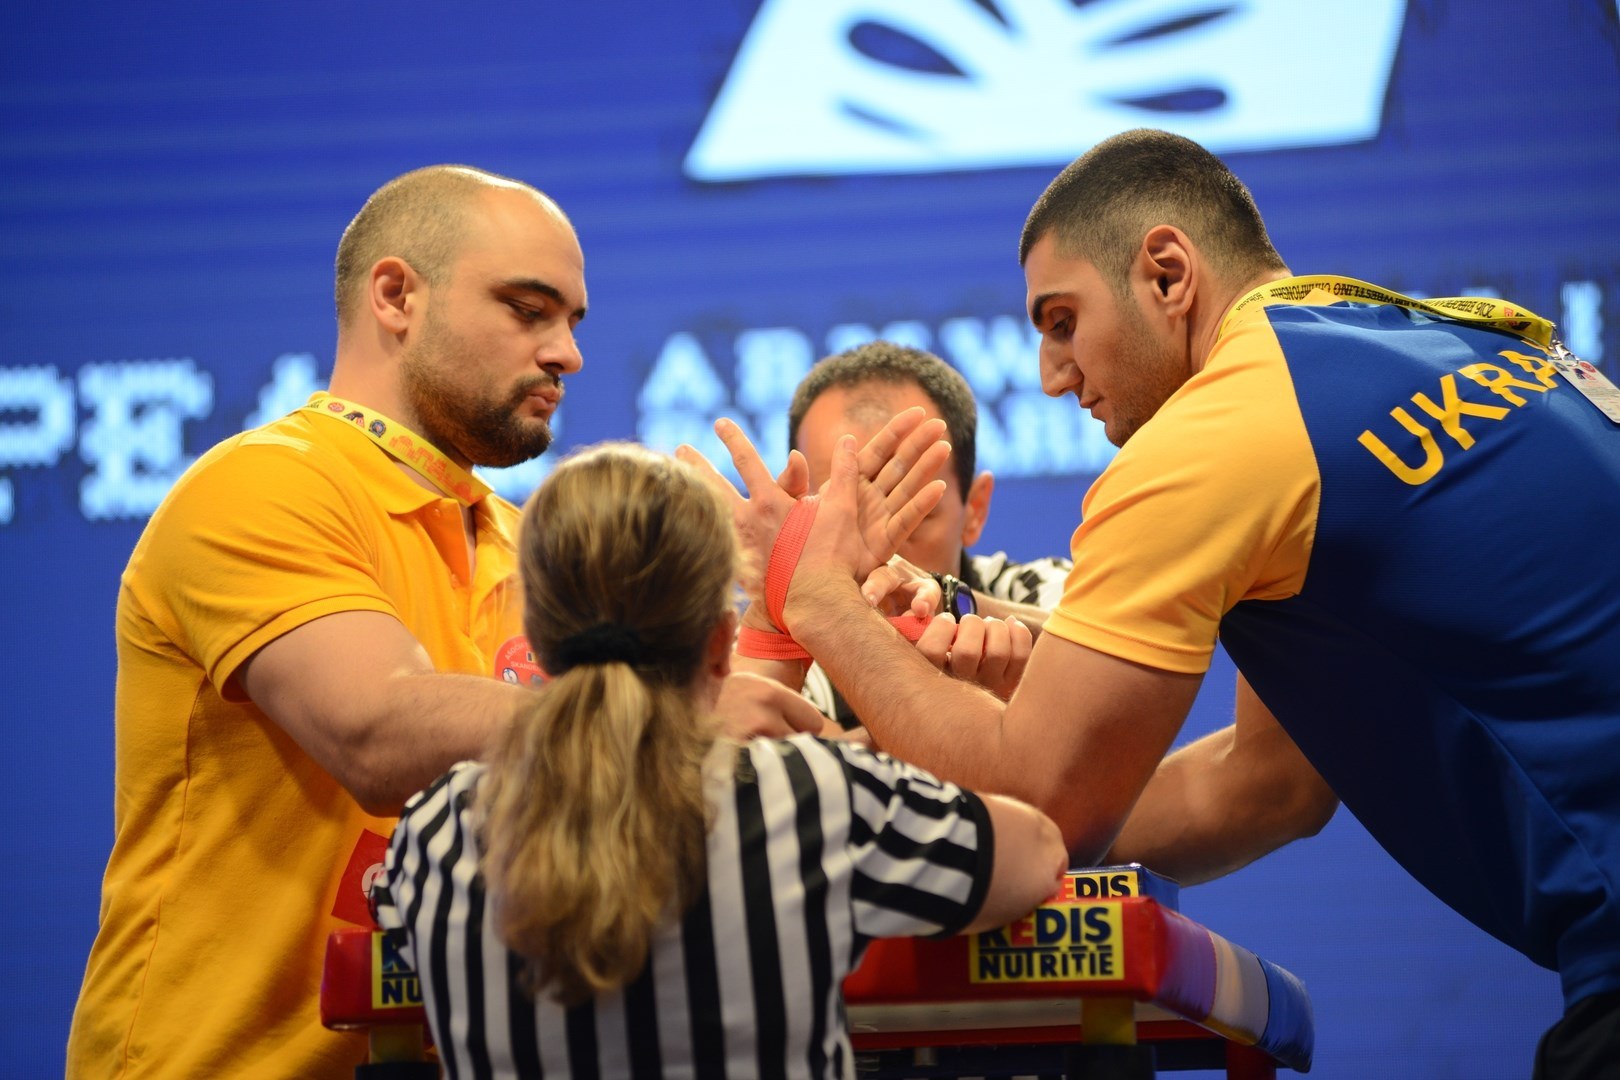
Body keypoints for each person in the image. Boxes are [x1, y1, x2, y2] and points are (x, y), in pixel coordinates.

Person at [704, 129, 1620, 1078]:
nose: (1054, 375)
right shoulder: (1455, 336)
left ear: (1168, 273)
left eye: (1062, 321)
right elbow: (1270, 787)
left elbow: (1045, 801)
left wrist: (818, 602)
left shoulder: (1212, 433)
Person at [67, 165, 823, 1079]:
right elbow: (376, 735)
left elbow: (681, 796)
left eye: (573, 321)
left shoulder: (526, 539)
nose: (567, 353)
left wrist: (795, 615)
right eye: (529, 309)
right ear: (395, 296)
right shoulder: (259, 487)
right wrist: (668, 716)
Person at [373, 442, 1066, 1079]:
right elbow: (1035, 850)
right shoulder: (810, 796)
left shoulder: (436, 828)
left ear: (538, 644)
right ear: (718, 642)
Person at [786, 341, 1072, 718]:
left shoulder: (1042, 590)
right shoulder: (771, 655)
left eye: (912, 517)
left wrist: (952, 601)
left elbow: (1108, 661)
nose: (876, 561)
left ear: (975, 509)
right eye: (840, 522)